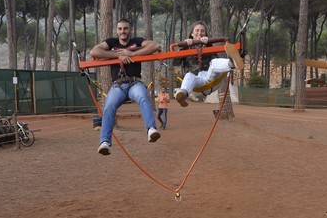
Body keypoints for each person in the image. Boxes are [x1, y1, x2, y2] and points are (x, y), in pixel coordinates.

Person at [90, 18, 161, 155]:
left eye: (125, 28)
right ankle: (104, 141)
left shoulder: (137, 41)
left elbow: (155, 46)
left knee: (142, 97)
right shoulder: (112, 42)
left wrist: (132, 53)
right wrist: (118, 56)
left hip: (134, 82)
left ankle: (151, 129)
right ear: (117, 31)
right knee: (109, 106)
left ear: (130, 30)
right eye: (120, 29)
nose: (123, 31)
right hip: (118, 85)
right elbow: (95, 52)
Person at [174, 21, 243, 107]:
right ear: (192, 33)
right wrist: (184, 46)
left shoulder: (208, 45)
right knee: (188, 76)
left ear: (205, 33)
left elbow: (216, 60)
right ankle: (182, 94)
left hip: (209, 77)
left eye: (202, 31)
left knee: (214, 63)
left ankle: (232, 62)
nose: (200, 33)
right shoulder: (186, 48)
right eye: (197, 30)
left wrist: (208, 44)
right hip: (196, 84)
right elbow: (175, 62)